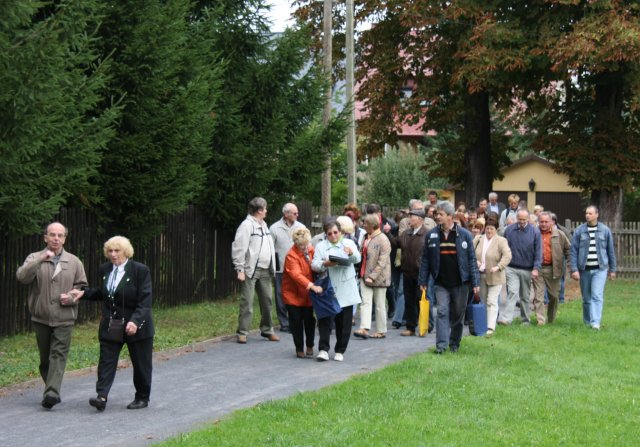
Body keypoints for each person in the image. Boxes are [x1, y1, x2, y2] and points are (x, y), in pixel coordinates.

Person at [76, 236, 154, 411]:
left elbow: (145, 300)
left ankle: (142, 397)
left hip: (137, 326)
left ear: (126, 251)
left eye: (117, 251)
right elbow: (105, 293)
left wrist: (135, 321)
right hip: (113, 324)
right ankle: (101, 396)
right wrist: (84, 293)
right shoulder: (105, 269)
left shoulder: (140, 270)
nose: (113, 254)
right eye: (110, 251)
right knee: (106, 360)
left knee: (141, 364)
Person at [16, 222, 88, 409]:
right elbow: (22, 277)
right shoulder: (35, 257)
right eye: (52, 235)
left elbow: (81, 287)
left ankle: (51, 394)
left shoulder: (74, 261)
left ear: (64, 238)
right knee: (45, 359)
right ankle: (52, 387)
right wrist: (40, 259)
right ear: (45, 237)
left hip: (64, 317)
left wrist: (72, 297)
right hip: (41, 317)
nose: (56, 238)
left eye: (60, 235)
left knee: (58, 354)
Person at [418, 202, 480, 354]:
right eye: (437, 214)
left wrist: (475, 282)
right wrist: (423, 280)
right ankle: (441, 346)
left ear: (450, 217)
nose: (437, 216)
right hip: (441, 283)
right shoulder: (431, 235)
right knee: (442, 312)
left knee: (458, 315)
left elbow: (471, 259)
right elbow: (425, 259)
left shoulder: (464, 235)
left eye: (441, 214)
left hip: (461, 283)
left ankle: (454, 343)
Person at [312, 219, 361, 361]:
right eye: (329, 233)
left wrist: (351, 253)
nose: (333, 236)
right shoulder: (321, 246)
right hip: (329, 287)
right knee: (325, 319)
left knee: (343, 322)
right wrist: (325, 264)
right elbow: (314, 265)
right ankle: (323, 349)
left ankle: (340, 350)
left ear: (341, 232)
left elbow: (357, 259)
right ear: (325, 234)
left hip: (346, 285)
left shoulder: (349, 243)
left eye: (335, 232)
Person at [231, 197, 279, 344]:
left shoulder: (264, 225)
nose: (266, 211)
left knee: (267, 301)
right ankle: (243, 332)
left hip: (265, 270)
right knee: (247, 301)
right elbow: (239, 248)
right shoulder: (246, 226)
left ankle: (267, 330)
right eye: (264, 209)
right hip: (250, 270)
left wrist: (273, 268)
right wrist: (240, 269)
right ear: (259, 210)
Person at [570, 206, 616, 330]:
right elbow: (573, 251)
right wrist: (574, 269)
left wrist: (612, 270)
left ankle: (595, 323)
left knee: (597, 295)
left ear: (597, 215)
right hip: (584, 269)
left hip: (600, 269)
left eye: (590, 213)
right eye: (586, 213)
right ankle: (587, 321)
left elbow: (610, 251)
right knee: (586, 298)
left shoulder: (605, 230)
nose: (587, 215)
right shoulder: (579, 230)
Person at [389, 208, 431, 336]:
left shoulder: (427, 234)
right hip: (407, 272)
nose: (409, 219)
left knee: (421, 300)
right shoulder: (406, 233)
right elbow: (396, 243)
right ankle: (411, 328)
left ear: (420, 219)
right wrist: (388, 233)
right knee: (409, 301)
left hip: (421, 274)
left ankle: (425, 325)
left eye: (411, 217)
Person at [497, 209, 542, 326]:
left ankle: (525, 320)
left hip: (527, 268)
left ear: (528, 219)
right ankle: (506, 319)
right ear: (517, 218)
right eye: (520, 219)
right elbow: (504, 248)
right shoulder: (510, 230)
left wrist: (536, 268)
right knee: (512, 292)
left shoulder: (535, 232)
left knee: (525, 296)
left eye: (524, 220)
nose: (521, 222)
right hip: (512, 267)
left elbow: (538, 252)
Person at [281, 228, 320, 358]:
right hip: (293, 294)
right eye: (301, 245)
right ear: (296, 243)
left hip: (308, 294)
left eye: (306, 244)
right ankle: (299, 348)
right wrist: (311, 285)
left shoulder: (311, 250)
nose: (304, 247)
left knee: (309, 320)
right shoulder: (291, 255)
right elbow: (296, 275)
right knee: (296, 321)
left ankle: (310, 345)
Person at [354, 214, 392, 339]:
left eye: (365, 223)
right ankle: (364, 328)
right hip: (364, 276)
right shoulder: (365, 237)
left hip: (379, 278)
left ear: (372, 225)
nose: (363, 225)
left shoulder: (383, 239)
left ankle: (381, 331)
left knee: (380, 304)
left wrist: (373, 276)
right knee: (365, 302)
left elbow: (383, 261)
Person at [270, 202, 305, 333]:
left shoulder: (301, 227)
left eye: (297, 213)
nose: (297, 215)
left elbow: (307, 246)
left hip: (298, 268)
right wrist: (273, 267)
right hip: (281, 268)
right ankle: (284, 323)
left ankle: (296, 321)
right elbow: (270, 249)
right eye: (295, 213)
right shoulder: (274, 228)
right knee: (281, 295)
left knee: (298, 294)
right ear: (286, 214)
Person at [473, 217, 512, 336]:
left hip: (496, 276)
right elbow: (470, 253)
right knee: (484, 301)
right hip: (481, 275)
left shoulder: (501, 241)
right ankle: (484, 324)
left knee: (492, 301)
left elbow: (507, 256)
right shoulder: (478, 239)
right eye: (488, 228)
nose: (489, 231)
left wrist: (499, 266)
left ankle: (491, 327)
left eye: (492, 229)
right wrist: (476, 262)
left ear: (496, 229)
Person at [533, 212, 570, 325]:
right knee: (538, 296)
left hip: (553, 269)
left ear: (551, 222)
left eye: (546, 222)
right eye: (541, 222)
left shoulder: (559, 234)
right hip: (537, 268)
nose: (543, 224)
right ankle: (541, 320)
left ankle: (551, 319)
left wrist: (570, 265)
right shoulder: (534, 234)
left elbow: (568, 250)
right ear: (538, 222)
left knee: (554, 296)